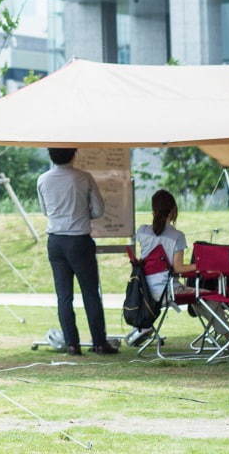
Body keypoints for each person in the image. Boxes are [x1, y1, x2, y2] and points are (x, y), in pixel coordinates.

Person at [36, 147, 116, 355]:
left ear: (50, 155)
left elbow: (45, 210)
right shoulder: (83, 177)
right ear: (74, 154)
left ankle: (72, 344)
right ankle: (99, 342)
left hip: (55, 241)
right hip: (79, 240)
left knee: (64, 296)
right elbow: (98, 210)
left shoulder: (43, 179)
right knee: (90, 293)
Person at [127, 189, 193, 348]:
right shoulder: (177, 236)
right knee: (206, 295)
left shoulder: (142, 231)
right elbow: (179, 268)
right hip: (167, 291)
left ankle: (144, 328)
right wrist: (202, 265)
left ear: (153, 210)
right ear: (173, 210)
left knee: (199, 297)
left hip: (144, 291)